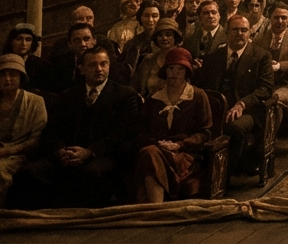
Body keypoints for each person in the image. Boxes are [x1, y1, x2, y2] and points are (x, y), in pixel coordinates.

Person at [10, 46, 140, 209]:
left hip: (102, 155)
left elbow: (123, 133)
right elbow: (52, 129)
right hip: (67, 155)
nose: (99, 69)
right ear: (82, 69)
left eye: (104, 64)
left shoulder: (125, 95)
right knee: (28, 173)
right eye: (93, 65)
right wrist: (60, 151)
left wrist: (89, 152)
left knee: (90, 173)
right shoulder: (68, 95)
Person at [195, 14, 274, 177]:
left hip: (248, 110)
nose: (239, 34)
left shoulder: (261, 56)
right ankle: (200, 173)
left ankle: (222, 177)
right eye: (235, 30)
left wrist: (242, 104)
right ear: (227, 32)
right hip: (217, 109)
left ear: (249, 33)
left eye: (244, 30)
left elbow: (265, 89)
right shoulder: (213, 57)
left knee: (233, 128)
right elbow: (204, 86)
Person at [132, 47, 211, 203]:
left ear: (186, 72)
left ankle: (150, 211)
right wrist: (158, 143)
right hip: (157, 149)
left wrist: (180, 144)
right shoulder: (153, 100)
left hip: (185, 155)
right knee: (149, 153)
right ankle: (155, 211)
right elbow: (141, 132)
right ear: (165, 71)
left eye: (180, 69)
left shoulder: (198, 96)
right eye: (171, 68)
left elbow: (205, 133)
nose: (175, 73)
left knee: (148, 156)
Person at [0, 54, 46, 205]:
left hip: (18, 155)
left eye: (12, 74)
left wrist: (8, 151)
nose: (7, 79)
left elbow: (37, 139)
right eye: (3, 75)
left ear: (21, 77)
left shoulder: (35, 102)